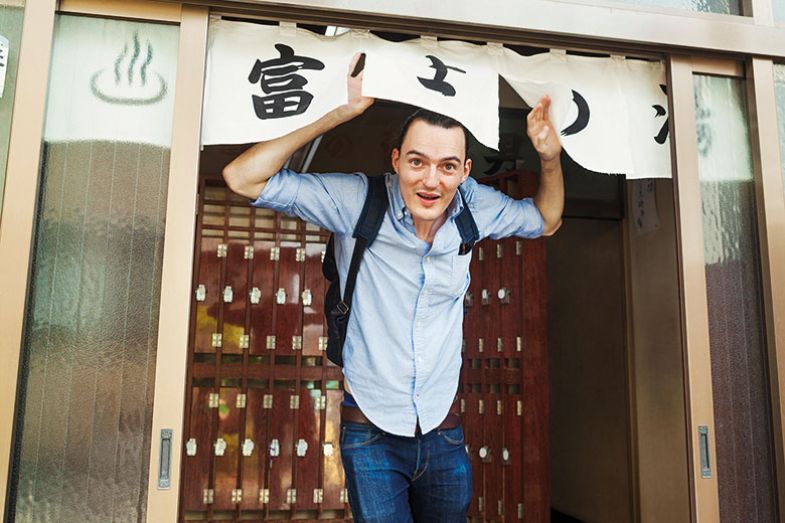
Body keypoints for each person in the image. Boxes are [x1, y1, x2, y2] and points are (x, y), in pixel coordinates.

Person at [223, 52, 563, 522]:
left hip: (445, 433)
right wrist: (337, 113)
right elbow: (242, 177)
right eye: (417, 162)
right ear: (396, 160)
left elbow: (546, 220)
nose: (430, 180)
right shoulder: (357, 200)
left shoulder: (474, 208)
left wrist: (549, 158)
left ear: (465, 172)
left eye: (447, 167)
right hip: (371, 435)